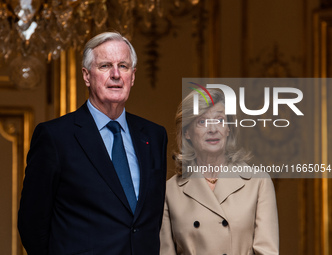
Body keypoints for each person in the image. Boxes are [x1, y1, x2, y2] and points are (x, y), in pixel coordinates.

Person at [18, 32, 168, 255]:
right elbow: (32, 225)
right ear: (87, 76)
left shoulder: (155, 136)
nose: (116, 74)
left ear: (133, 76)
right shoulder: (55, 137)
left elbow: (148, 221)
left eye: (123, 66)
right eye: (105, 66)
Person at [160, 88, 279, 255]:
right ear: (187, 132)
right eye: (202, 122)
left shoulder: (258, 182)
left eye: (220, 120)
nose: (213, 129)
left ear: (229, 128)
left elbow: (267, 252)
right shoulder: (169, 192)